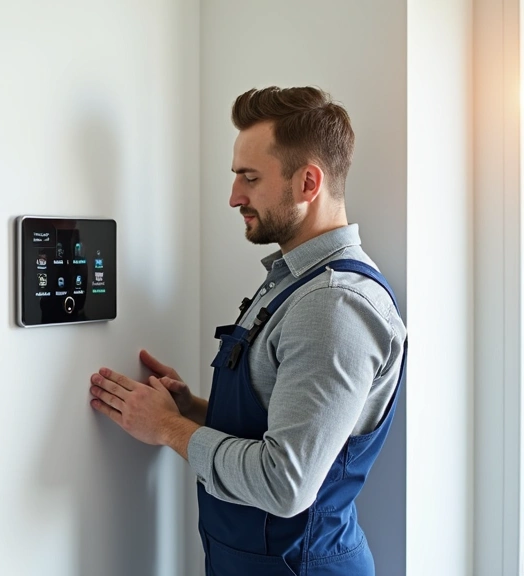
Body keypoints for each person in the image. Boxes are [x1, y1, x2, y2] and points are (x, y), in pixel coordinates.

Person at [89, 86, 407, 576]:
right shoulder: (293, 284)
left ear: (308, 182)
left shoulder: (333, 305)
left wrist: (168, 429)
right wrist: (191, 407)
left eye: (250, 178)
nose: (234, 196)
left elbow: (286, 483)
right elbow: (274, 418)